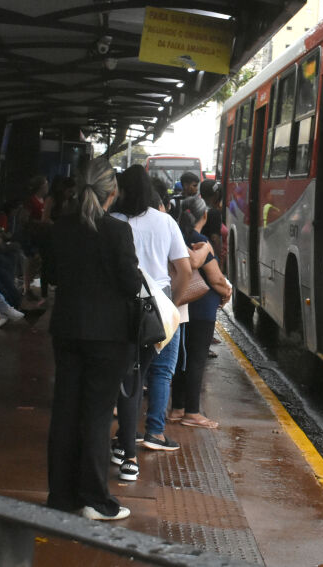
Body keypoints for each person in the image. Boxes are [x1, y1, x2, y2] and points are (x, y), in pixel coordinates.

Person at [44, 158, 141, 521]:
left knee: (65, 410)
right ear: (111, 193)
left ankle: (62, 495)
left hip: (67, 330)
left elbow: (51, 275)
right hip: (109, 336)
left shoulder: (60, 228)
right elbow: (131, 284)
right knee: (97, 415)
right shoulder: (116, 232)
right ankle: (95, 499)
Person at [111, 165, 190, 482]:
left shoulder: (114, 222)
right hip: (156, 309)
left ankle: (128, 453)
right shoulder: (166, 222)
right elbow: (183, 269)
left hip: (121, 306)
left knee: (128, 380)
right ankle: (123, 445)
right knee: (139, 373)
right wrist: (173, 304)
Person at [168, 196, 231, 429]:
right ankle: (192, 412)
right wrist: (227, 292)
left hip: (181, 306)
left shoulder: (177, 237)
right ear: (204, 216)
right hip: (202, 309)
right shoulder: (201, 242)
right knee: (196, 358)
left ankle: (177, 408)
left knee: (181, 359)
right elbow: (215, 279)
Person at [199, 180, 223, 264]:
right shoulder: (214, 213)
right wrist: (218, 260)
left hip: (198, 254)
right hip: (209, 257)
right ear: (216, 195)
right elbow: (215, 238)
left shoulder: (197, 209)